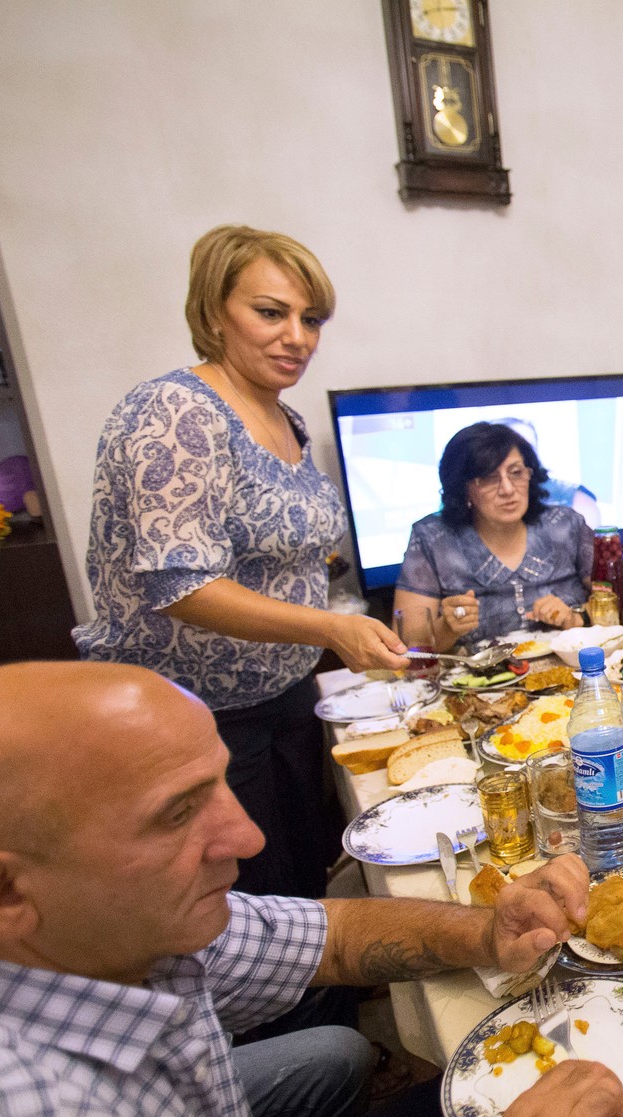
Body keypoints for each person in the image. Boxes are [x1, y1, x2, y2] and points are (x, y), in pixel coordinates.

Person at [0, 661, 623, 1117]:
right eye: (176, 814)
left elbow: (329, 938)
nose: (246, 837)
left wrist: (488, 935)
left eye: (220, 785)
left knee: (460, 1104)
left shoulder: (99, 930)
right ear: (0, 893)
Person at [76, 225, 408, 901]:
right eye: (271, 313)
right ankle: (299, 1011)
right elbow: (181, 583)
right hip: (197, 716)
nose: (298, 337)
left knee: (303, 878)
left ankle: (329, 1005)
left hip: (281, 695)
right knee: (247, 899)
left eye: (310, 319)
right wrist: (329, 630)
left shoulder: (284, 417)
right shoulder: (177, 411)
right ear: (212, 311)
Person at [393, 421, 593, 651]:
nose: (508, 489)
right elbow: (406, 646)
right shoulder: (433, 538)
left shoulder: (564, 524)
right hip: (477, 681)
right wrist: (446, 628)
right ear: (462, 487)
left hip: (573, 669)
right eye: (488, 478)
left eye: (516, 473)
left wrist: (577, 617)